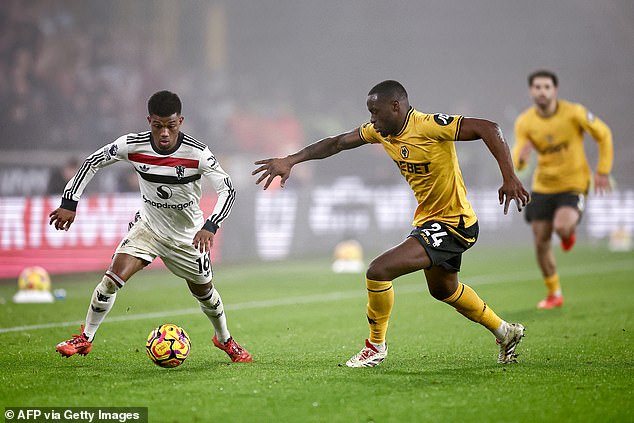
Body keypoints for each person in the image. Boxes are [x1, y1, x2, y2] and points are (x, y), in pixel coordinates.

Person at [252, 80, 530, 367]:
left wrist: (509, 177)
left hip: (454, 223)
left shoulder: (430, 125)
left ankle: (375, 347)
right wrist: (292, 160)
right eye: (369, 112)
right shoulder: (379, 132)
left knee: (378, 271)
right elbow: (337, 143)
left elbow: (489, 128)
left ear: (395, 106)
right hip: (430, 222)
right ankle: (505, 332)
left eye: (376, 111)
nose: (371, 119)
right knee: (444, 290)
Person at [50, 90, 252, 362]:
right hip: (149, 228)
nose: (164, 133)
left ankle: (225, 340)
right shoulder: (133, 145)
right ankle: (85, 338)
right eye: (158, 126)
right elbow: (92, 161)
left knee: (205, 294)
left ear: (180, 121)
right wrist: (69, 201)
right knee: (112, 279)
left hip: (188, 237)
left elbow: (228, 189)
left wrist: (211, 225)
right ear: (149, 121)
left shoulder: (198, 154)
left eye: (170, 125)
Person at [513, 70, 613, 309]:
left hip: (573, 183)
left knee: (562, 226)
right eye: (537, 87)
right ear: (531, 91)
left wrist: (602, 170)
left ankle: (568, 234)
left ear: (554, 90)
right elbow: (517, 157)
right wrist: (522, 159)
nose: (542, 92)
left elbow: (604, 134)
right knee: (540, 240)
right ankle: (554, 293)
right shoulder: (525, 121)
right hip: (543, 186)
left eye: (546, 87)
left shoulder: (574, 113)